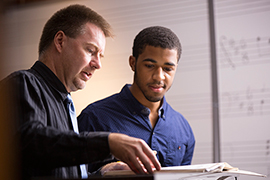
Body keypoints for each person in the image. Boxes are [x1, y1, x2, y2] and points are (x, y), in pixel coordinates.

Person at [0, 4, 161, 180]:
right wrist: (108, 143)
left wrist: (101, 174)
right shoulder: (22, 83)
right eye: (91, 50)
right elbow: (30, 143)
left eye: (100, 56)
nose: (98, 64)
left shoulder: (64, 101)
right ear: (60, 41)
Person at [78, 26, 195, 174]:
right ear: (133, 63)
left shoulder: (184, 129)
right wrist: (102, 174)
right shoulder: (93, 118)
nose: (159, 76)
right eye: (150, 66)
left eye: (168, 68)